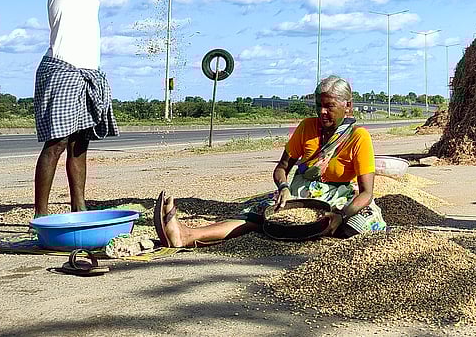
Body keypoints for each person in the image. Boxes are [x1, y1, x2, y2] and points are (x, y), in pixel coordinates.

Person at [154, 75, 386, 247]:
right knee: (255, 215)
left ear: (348, 106)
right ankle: (187, 235)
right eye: (319, 106)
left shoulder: (358, 137)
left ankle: (315, 230)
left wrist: (341, 214)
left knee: (363, 223)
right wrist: (283, 188)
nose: (322, 112)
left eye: (329, 106)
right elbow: (283, 168)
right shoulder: (307, 127)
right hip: (299, 194)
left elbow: (366, 193)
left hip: (336, 198)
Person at [32, 0, 150, 216]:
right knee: (56, 143)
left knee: (80, 143)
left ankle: (79, 209)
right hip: (63, 68)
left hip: (88, 71)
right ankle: (41, 216)